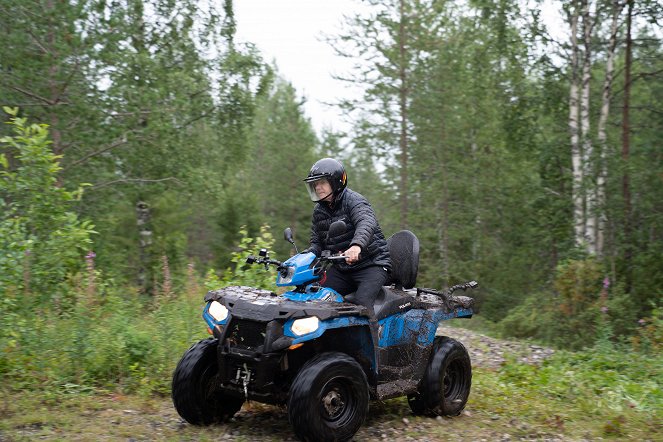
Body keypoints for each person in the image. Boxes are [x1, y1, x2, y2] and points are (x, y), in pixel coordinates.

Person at [303, 158, 391, 318]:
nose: (317, 187)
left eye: (322, 182)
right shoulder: (319, 210)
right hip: (343, 268)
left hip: (372, 264)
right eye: (315, 184)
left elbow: (366, 222)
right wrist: (304, 257)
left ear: (335, 182)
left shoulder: (355, 201)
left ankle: (373, 342)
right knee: (316, 297)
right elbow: (317, 242)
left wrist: (357, 246)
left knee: (362, 304)